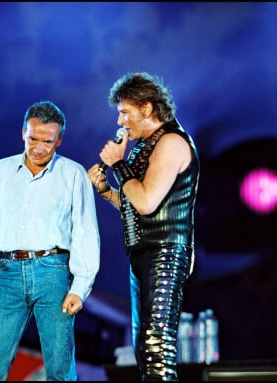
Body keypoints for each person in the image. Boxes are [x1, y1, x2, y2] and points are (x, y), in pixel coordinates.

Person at [0, 100, 100, 381]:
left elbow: (85, 233)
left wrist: (80, 288)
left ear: (59, 140)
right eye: (33, 138)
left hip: (53, 272)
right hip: (8, 273)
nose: (39, 147)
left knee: (60, 368)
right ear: (23, 132)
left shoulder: (73, 174)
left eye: (47, 140)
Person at [87, 72, 199, 381]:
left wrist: (118, 165)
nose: (121, 121)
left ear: (147, 109)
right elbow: (136, 207)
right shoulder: (144, 147)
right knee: (142, 348)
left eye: (125, 112)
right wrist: (106, 190)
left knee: (156, 348)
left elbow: (147, 202)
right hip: (143, 253)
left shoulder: (171, 143)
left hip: (164, 253)